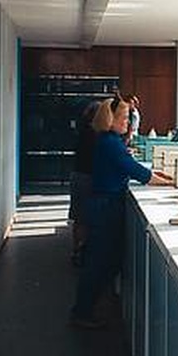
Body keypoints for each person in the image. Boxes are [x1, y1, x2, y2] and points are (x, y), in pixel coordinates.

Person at [70, 96, 172, 329]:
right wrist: (165, 182)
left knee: (103, 260)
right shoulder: (110, 143)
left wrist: (161, 178)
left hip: (105, 204)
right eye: (124, 118)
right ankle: (82, 311)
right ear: (111, 119)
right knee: (100, 261)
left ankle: (85, 308)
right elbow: (133, 169)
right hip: (106, 207)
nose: (128, 123)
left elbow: (131, 168)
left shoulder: (109, 140)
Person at [68, 99, 99, 266]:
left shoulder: (84, 129)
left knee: (78, 217)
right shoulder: (94, 133)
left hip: (78, 175)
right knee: (85, 217)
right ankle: (82, 252)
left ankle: (76, 251)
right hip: (86, 177)